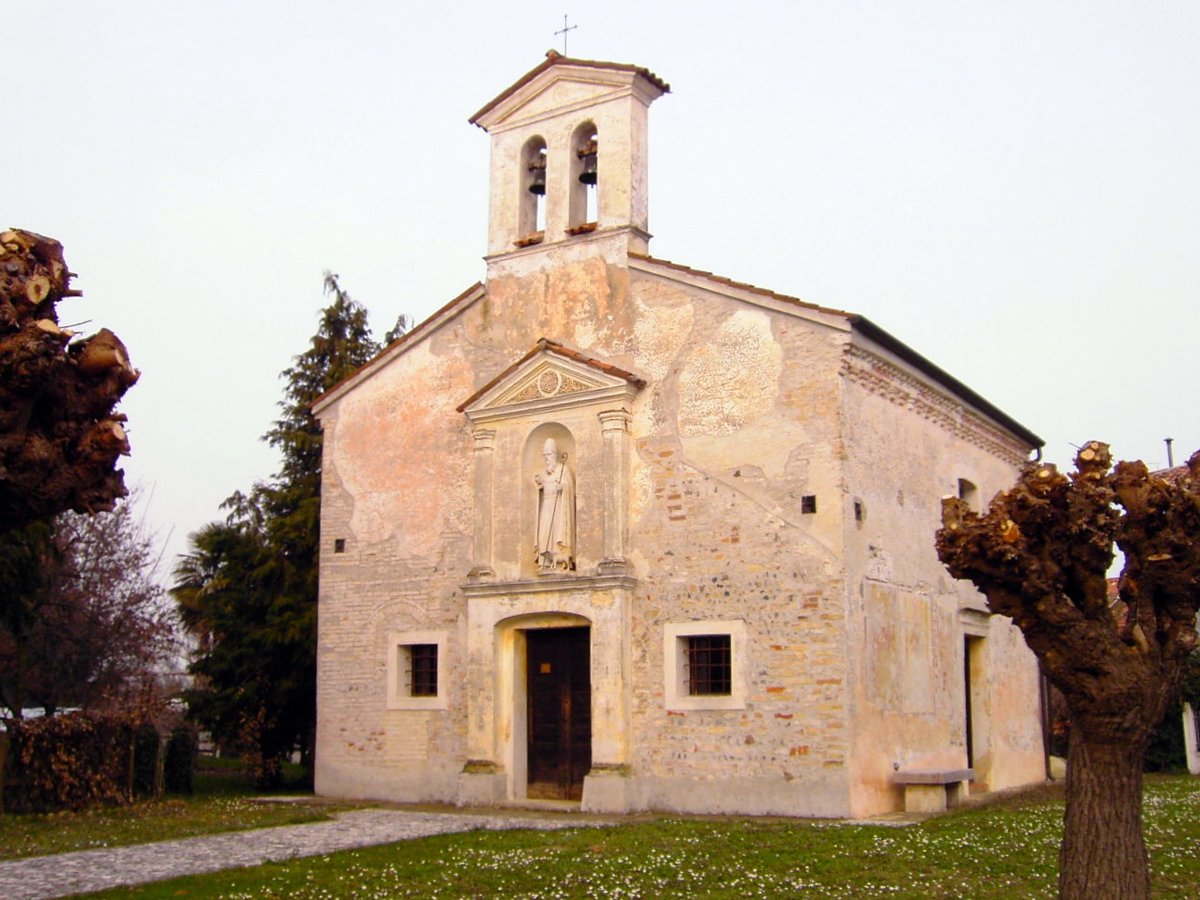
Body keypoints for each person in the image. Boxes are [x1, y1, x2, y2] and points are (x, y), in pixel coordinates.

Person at [534, 437, 575, 572]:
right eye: (544, 455)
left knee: (558, 531)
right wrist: (539, 485)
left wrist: (562, 486)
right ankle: (545, 561)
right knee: (544, 533)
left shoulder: (563, 469)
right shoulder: (543, 472)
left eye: (549, 455)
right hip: (546, 505)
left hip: (559, 507)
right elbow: (540, 490)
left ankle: (560, 561)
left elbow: (569, 486)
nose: (546, 458)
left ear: (555, 455)